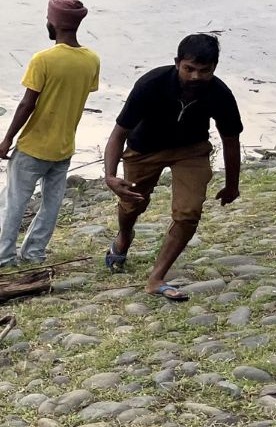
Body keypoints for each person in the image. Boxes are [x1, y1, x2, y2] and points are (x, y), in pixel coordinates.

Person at [103, 34, 243, 302]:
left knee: (188, 212)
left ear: (214, 68)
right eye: (189, 69)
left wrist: (232, 184)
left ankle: (156, 278)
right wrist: (110, 176)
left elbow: (230, 140)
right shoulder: (151, 84)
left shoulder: (220, 94)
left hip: (191, 151)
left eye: (205, 71)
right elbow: (119, 132)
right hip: (144, 149)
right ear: (177, 63)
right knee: (133, 204)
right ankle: (123, 236)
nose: (195, 77)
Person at [0, 0, 100, 269]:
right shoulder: (91, 60)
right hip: (64, 147)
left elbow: (28, 103)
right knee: (51, 205)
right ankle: (34, 253)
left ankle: (5, 257)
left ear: (54, 22)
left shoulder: (43, 59)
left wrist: (7, 138)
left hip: (34, 146)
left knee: (13, 202)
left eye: (48, 18)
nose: (47, 22)